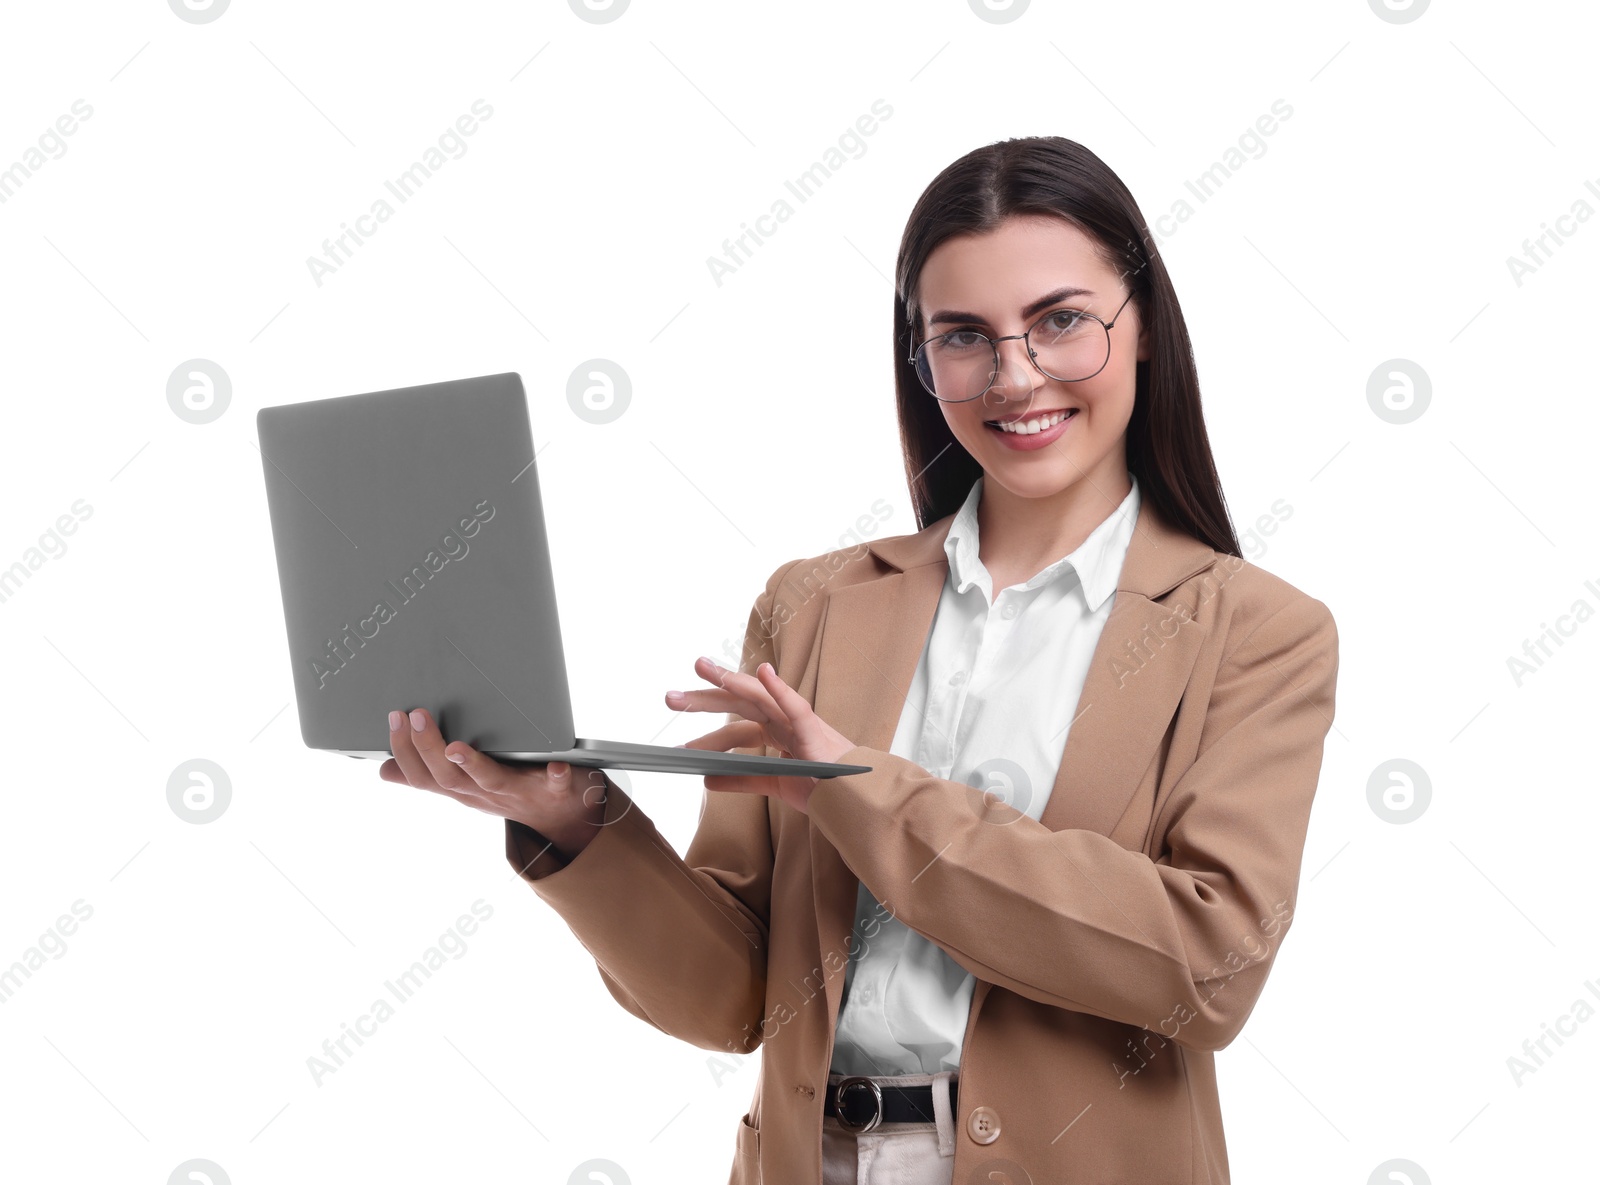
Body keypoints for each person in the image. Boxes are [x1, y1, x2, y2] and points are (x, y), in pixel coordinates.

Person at [378, 135, 1340, 1185]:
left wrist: (856, 792)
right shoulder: (813, 607)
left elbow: (1208, 970)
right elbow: (734, 998)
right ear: (921, 360)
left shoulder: (1253, 632)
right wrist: (573, 824)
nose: (1014, 376)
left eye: (1061, 321)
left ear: (1143, 324)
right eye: (963, 337)